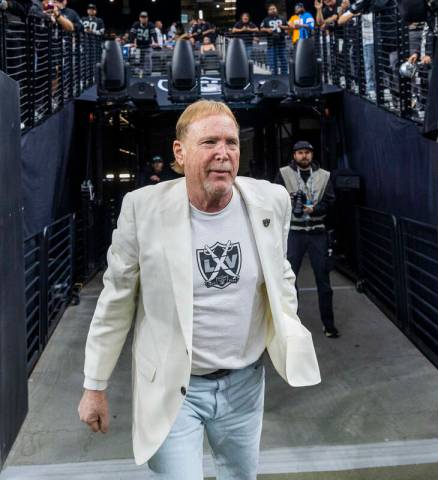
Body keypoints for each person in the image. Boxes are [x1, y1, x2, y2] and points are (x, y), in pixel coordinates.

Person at [77, 100, 321, 479]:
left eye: (232, 142)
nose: (223, 153)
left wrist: (288, 326)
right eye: (209, 142)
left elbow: (280, 272)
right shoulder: (143, 210)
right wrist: (95, 385)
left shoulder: (270, 201)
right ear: (180, 151)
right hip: (175, 388)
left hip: (245, 386)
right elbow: (116, 301)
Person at [274, 141, 339, 338]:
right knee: (288, 280)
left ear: (312, 155)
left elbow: (330, 201)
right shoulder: (283, 173)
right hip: (294, 231)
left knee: (323, 280)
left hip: (317, 231)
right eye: (300, 153)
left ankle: (329, 325)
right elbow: (274, 199)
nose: (304, 156)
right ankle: (291, 326)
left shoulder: (324, 175)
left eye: (307, 153)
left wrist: (315, 209)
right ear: (294, 155)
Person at [260, 4, 289, 75]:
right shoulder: (265, 20)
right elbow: (261, 28)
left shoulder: (283, 18)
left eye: (274, 9)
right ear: (268, 11)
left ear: (277, 10)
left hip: (281, 43)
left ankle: (284, 75)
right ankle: (274, 76)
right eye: (271, 9)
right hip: (271, 44)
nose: (273, 10)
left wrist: (283, 27)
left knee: (283, 60)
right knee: (273, 61)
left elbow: (288, 27)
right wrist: (267, 29)